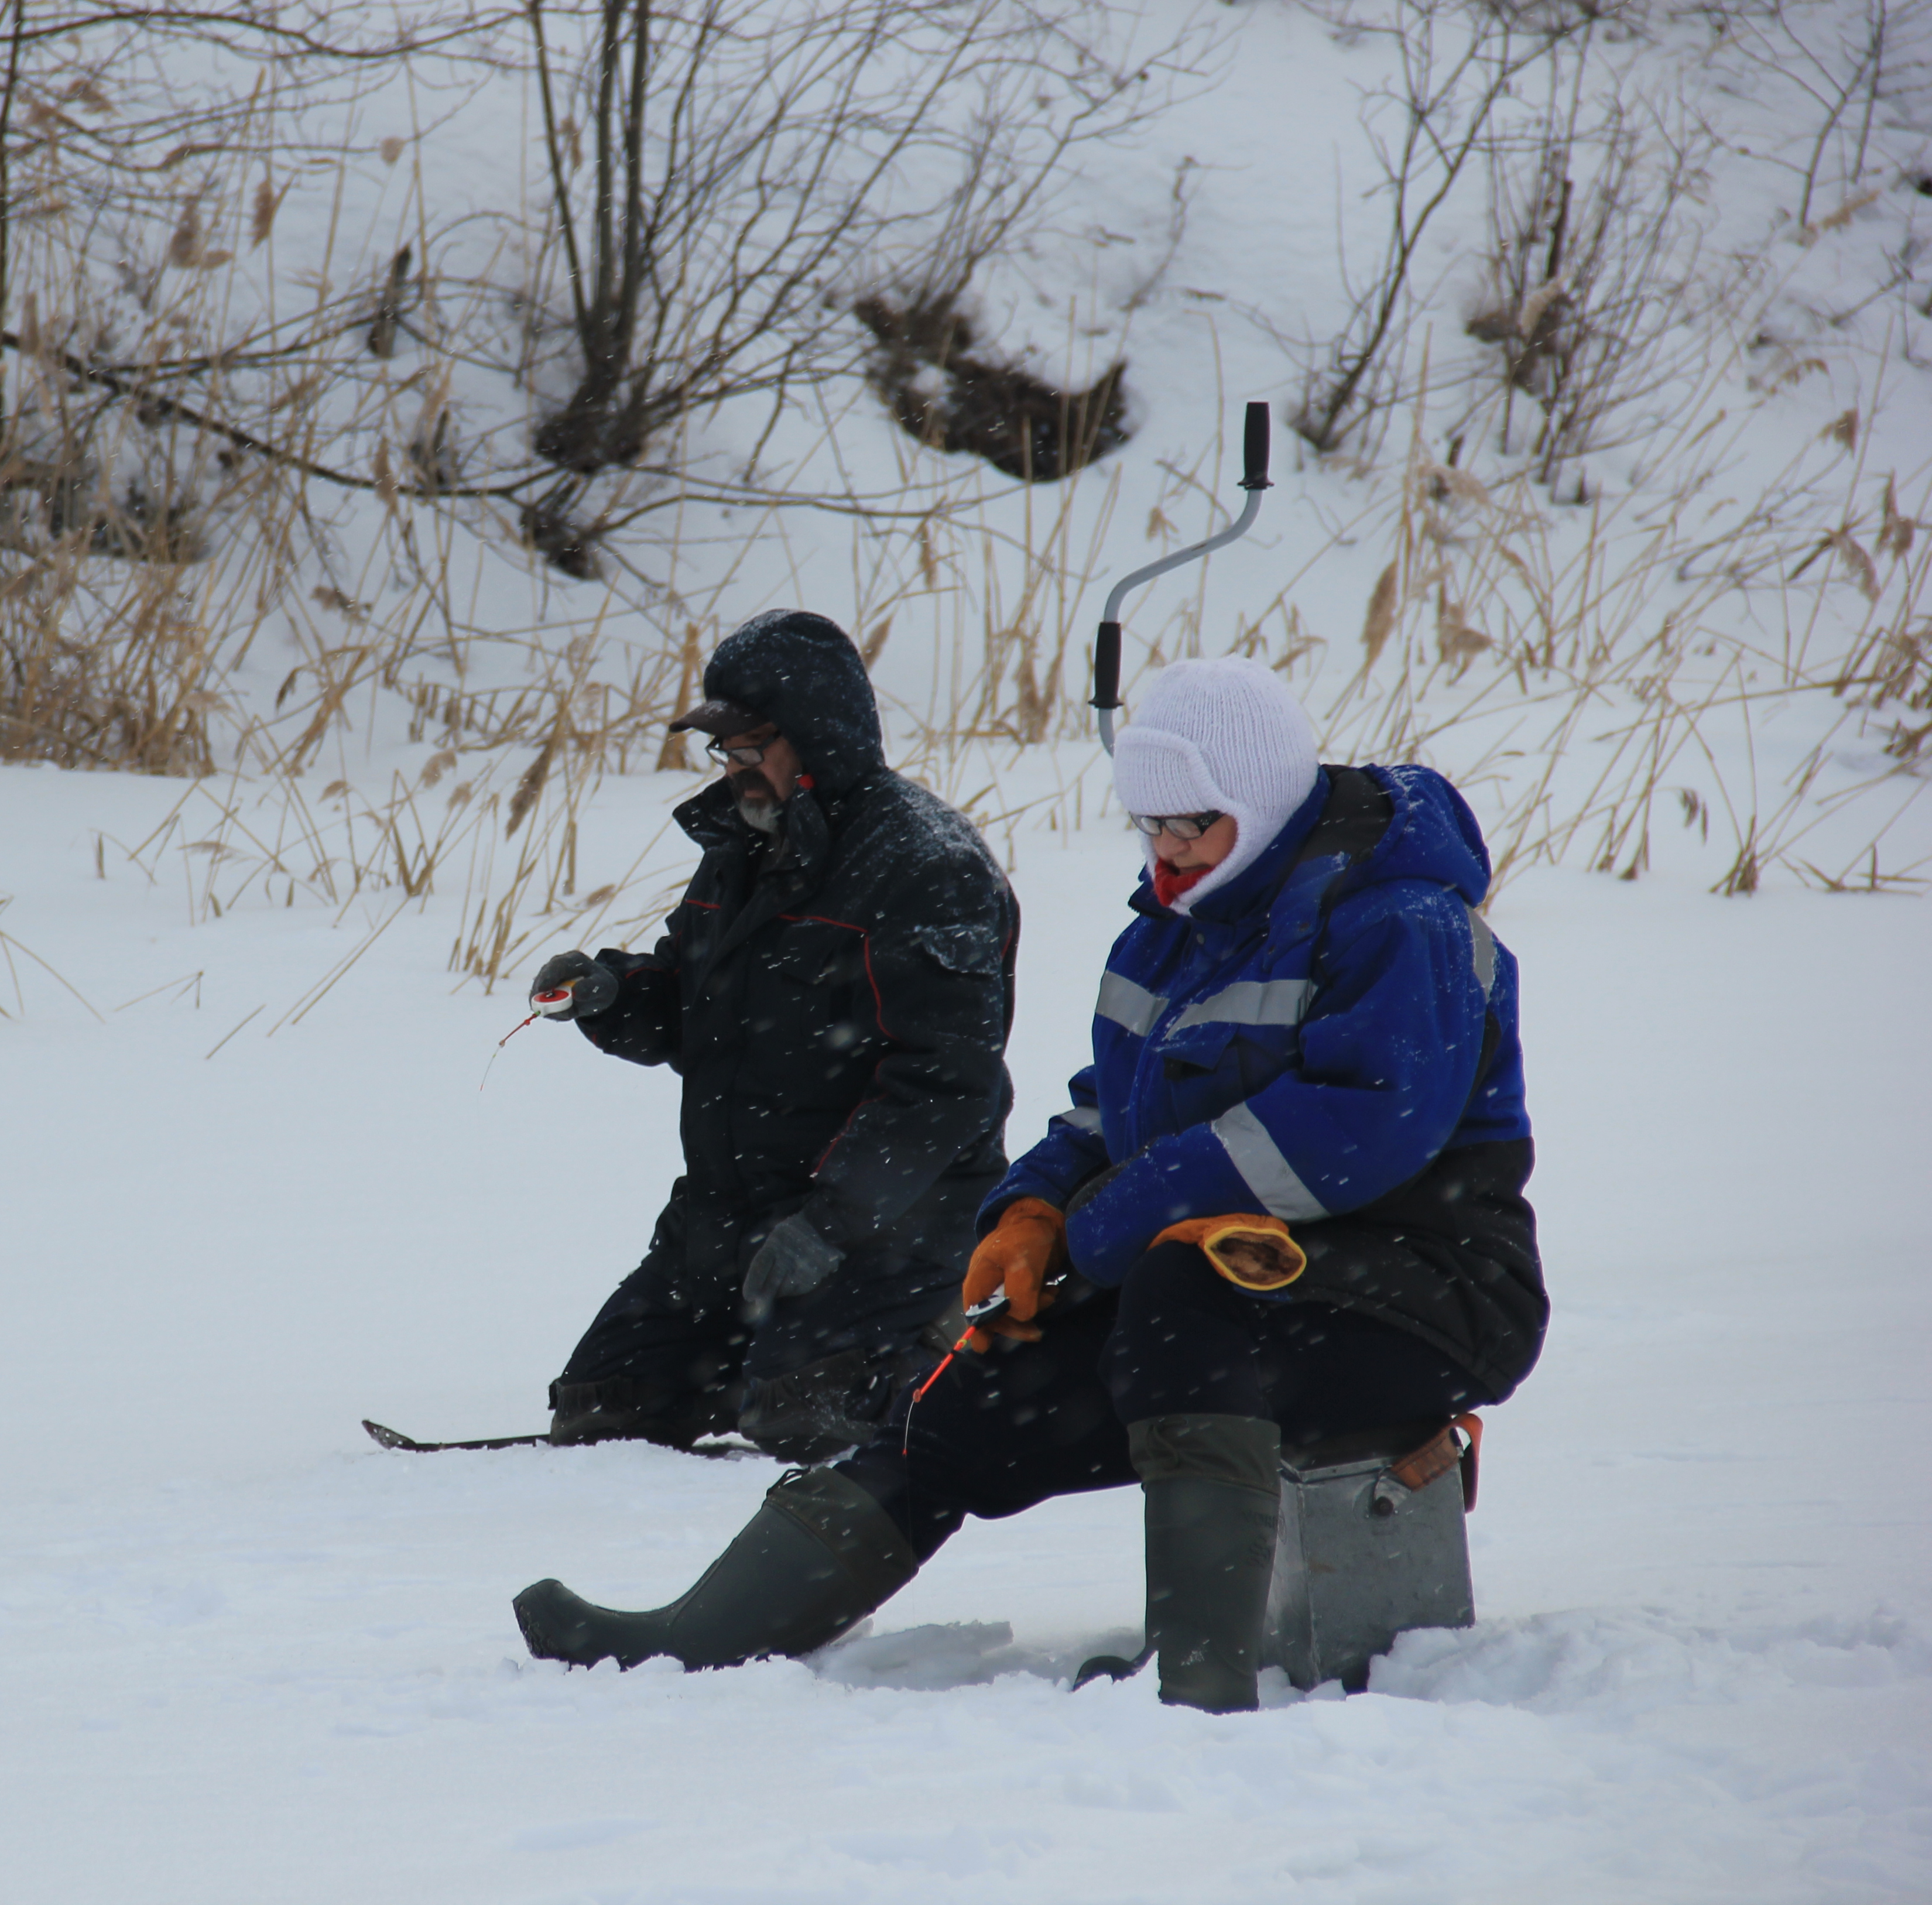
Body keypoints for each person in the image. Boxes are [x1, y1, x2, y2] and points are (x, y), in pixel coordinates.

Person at [513, 657, 1546, 1711]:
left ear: (1262, 801)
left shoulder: (1398, 920)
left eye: (1194, 821)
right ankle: (701, 1637)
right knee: (974, 1380)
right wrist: (1031, 1207)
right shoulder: (1165, 933)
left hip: (1432, 1291)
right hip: (1226, 1291)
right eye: (1149, 824)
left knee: (1184, 1293)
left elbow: (1359, 1129)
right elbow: (1107, 1108)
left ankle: (1199, 1675)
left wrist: (1116, 1217)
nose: (1170, 850)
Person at [521, 609, 1019, 1461]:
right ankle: (754, 1364)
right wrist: (612, 996)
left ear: (816, 741)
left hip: (887, 1231)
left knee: (806, 1415)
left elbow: (945, 1086)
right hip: (724, 1225)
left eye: (753, 747)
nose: (736, 768)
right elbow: (698, 1006)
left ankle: (936, 1337)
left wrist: (832, 1224)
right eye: (727, 750)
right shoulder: (746, 845)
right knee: (602, 1410)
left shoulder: (926, 867)